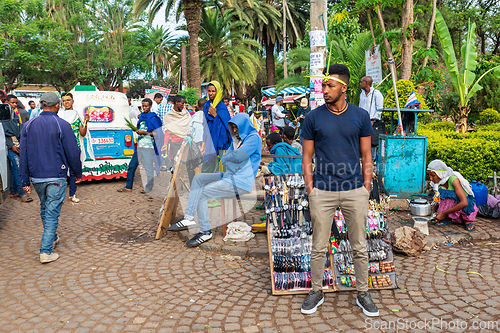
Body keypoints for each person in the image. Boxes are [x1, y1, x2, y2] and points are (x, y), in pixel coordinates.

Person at [300, 64, 378, 317]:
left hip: (354, 189)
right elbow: (306, 157)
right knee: (318, 246)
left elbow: (367, 154)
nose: (325, 90)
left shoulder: (360, 116)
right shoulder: (313, 117)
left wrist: (366, 187)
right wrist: (311, 189)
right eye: (323, 85)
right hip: (322, 190)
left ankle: (363, 293)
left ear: (344, 88)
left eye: (330, 85)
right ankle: (316, 290)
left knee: (359, 246)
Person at [166, 113, 261, 247]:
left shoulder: (253, 138)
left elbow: (238, 156)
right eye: (233, 128)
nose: (235, 131)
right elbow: (226, 157)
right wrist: (231, 159)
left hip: (240, 182)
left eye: (237, 128)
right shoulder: (237, 140)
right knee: (199, 178)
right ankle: (188, 218)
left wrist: (231, 159)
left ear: (244, 126)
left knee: (203, 192)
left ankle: (205, 231)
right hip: (229, 176)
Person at [19, 92, 82, 263]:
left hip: (37, 177)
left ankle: (53, 237)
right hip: (56, 175)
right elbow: (73, 152)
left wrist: (24, 180)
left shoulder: (28, 125)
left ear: (40, 105)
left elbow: (23, 154)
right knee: (52, 212)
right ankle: (46, 251)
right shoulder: (62, 124)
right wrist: (77, 173)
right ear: (56, 106)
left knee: (45, 208)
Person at [428, 160, 478, 231]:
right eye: (429, 175)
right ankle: (448, 218)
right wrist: (433, 214)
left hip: (464, 206)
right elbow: (438, 199)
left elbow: (464, 202)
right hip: (453, 206)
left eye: (433, 175)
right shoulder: (437, 183)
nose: (430, 178)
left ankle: (466, 221)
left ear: (440, 174)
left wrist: (442, 213)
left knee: (450, 199)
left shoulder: (453, 180)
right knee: (445, 197)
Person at [59, 92, 90, 203]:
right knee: (61, 172)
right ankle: (60, 196)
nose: (66, 102)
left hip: (74, 147)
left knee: (72, 172)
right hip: (61, 147)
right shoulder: (60, 116)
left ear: (72, 101)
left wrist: (86, 122)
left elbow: (82, 133)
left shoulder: (77, 116)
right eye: (63, 100)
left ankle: (72, 194)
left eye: (68, 100)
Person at [3, 95, 32, 202]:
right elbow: (4, 133)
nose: (14, 105)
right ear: (6, 102)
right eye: (12, 103)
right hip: (9, 145)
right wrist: (11, 145)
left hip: (16, 144)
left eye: (16, 103)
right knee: (17, 167)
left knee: (14, 167)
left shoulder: (14, 115)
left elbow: (18, 128)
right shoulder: (3, 116)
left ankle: (14, 190)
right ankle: (22, 193)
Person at [202, 82, 232, 174]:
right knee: (207, 167)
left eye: (213, 91)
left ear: (218, 92)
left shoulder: (221, 107)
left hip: (221, 142)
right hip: (209, 142)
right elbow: (205, 125)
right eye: (209, 91)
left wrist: (215, 115)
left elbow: (227, 127)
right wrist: (203, 144)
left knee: (221, 167)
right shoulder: (206, 105)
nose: (210, 93)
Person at [135, 98, 163, 193]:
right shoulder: (142, 116)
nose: (144, 108)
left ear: (150, 106)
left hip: (149, 146)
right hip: (140, 145)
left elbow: (157, 134)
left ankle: (149, 186)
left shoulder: (153, 118)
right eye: (142, 106)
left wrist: (145, 133)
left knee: (148, 167)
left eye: (146, 106)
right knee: (134, 166)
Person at [161, 95, 191, 169]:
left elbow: (190, 128)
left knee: (186, 165)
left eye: (184, 103)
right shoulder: (169, 116)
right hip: (175, 143)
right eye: (182, 103)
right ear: (176, 103)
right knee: (176, 164)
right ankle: (174, 179)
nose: (183, 105)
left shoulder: (186, 114)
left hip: (186, 142)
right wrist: (165, 144)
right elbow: (167, 131)